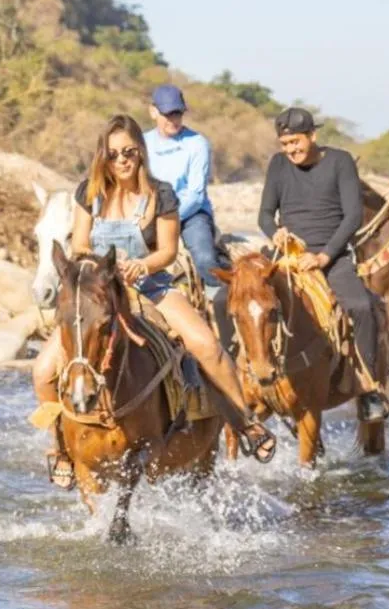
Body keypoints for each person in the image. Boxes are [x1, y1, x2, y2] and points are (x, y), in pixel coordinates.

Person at [35, 114, 276, 489]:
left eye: (129, 152)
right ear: (104, 156)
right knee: (42, 371)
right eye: (113, 154)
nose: (121, 160)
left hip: (150, 286)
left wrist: (139, 266)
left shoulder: (160, 194)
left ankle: (245, 422)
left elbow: (167, 251)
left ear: (140, 153)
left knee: (207, 346)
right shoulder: (89, 192)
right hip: (100, 289)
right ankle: (60, 446)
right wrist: (101, 267)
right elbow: (80, 244)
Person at [258, 107, 389, 421]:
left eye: (296, 142)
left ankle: (368, 389)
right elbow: (265, 214)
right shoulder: (278, 165)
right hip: (287, 257)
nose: (291, 150)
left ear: (312, 136)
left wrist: (323, 256)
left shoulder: (340, 161)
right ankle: (244, 383)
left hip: (330, 257)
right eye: (285, 144)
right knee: (233, 299)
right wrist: (273, 233)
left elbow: (353, 217)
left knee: (360, 307)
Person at [144, 84, 225, 291]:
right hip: (150, 213)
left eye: (178, 114)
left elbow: (196, 195)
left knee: (206, 258)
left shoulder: (197, 143)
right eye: (168, 114)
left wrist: (167, 219)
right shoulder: (141, 143)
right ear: (153, 112)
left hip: (191, 214)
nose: (174, 120)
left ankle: (218, 302)